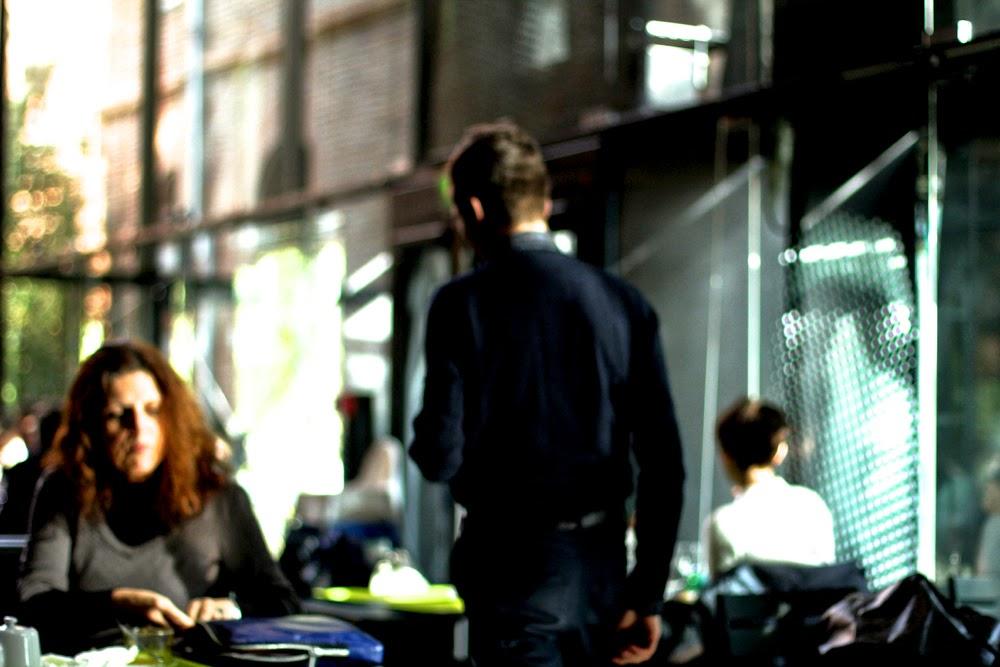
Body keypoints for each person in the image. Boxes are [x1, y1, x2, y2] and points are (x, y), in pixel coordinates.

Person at [409, 121, 685, 666]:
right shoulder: (624, 303)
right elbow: (664, 463)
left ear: (475, 210)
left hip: (512, 572)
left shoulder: (461, 304)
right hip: (604, 573)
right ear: (543, 200)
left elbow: (439, 456)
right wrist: (646, 591)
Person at [17, 340, 300, 654]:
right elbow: (34, 603)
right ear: (91, 427)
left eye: (153, 410)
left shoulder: (219, 498)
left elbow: (282, 603)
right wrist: (116, 603)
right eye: (118, 415)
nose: (139, 427)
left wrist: (232, 612)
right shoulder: (63, 490)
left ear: (173, 416)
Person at [705, 397, 836, 578]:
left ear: (726, 457)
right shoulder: (814, 506)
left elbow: (724, 600)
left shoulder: (721, 524)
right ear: (780, 452)